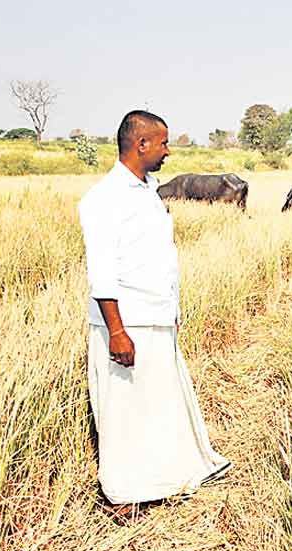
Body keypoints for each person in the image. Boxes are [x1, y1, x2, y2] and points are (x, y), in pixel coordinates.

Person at [79, 110, 230, 523]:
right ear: (140, 144)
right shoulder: (103, 198)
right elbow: (103, 271)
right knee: (123, 408)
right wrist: (116, 331)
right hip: (127, 321)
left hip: (155, 315)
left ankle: (161, 480)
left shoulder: (148, 192)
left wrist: (172, 311)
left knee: (157, 404)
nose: (168, 150)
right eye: (162, 143)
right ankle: (122, 495)